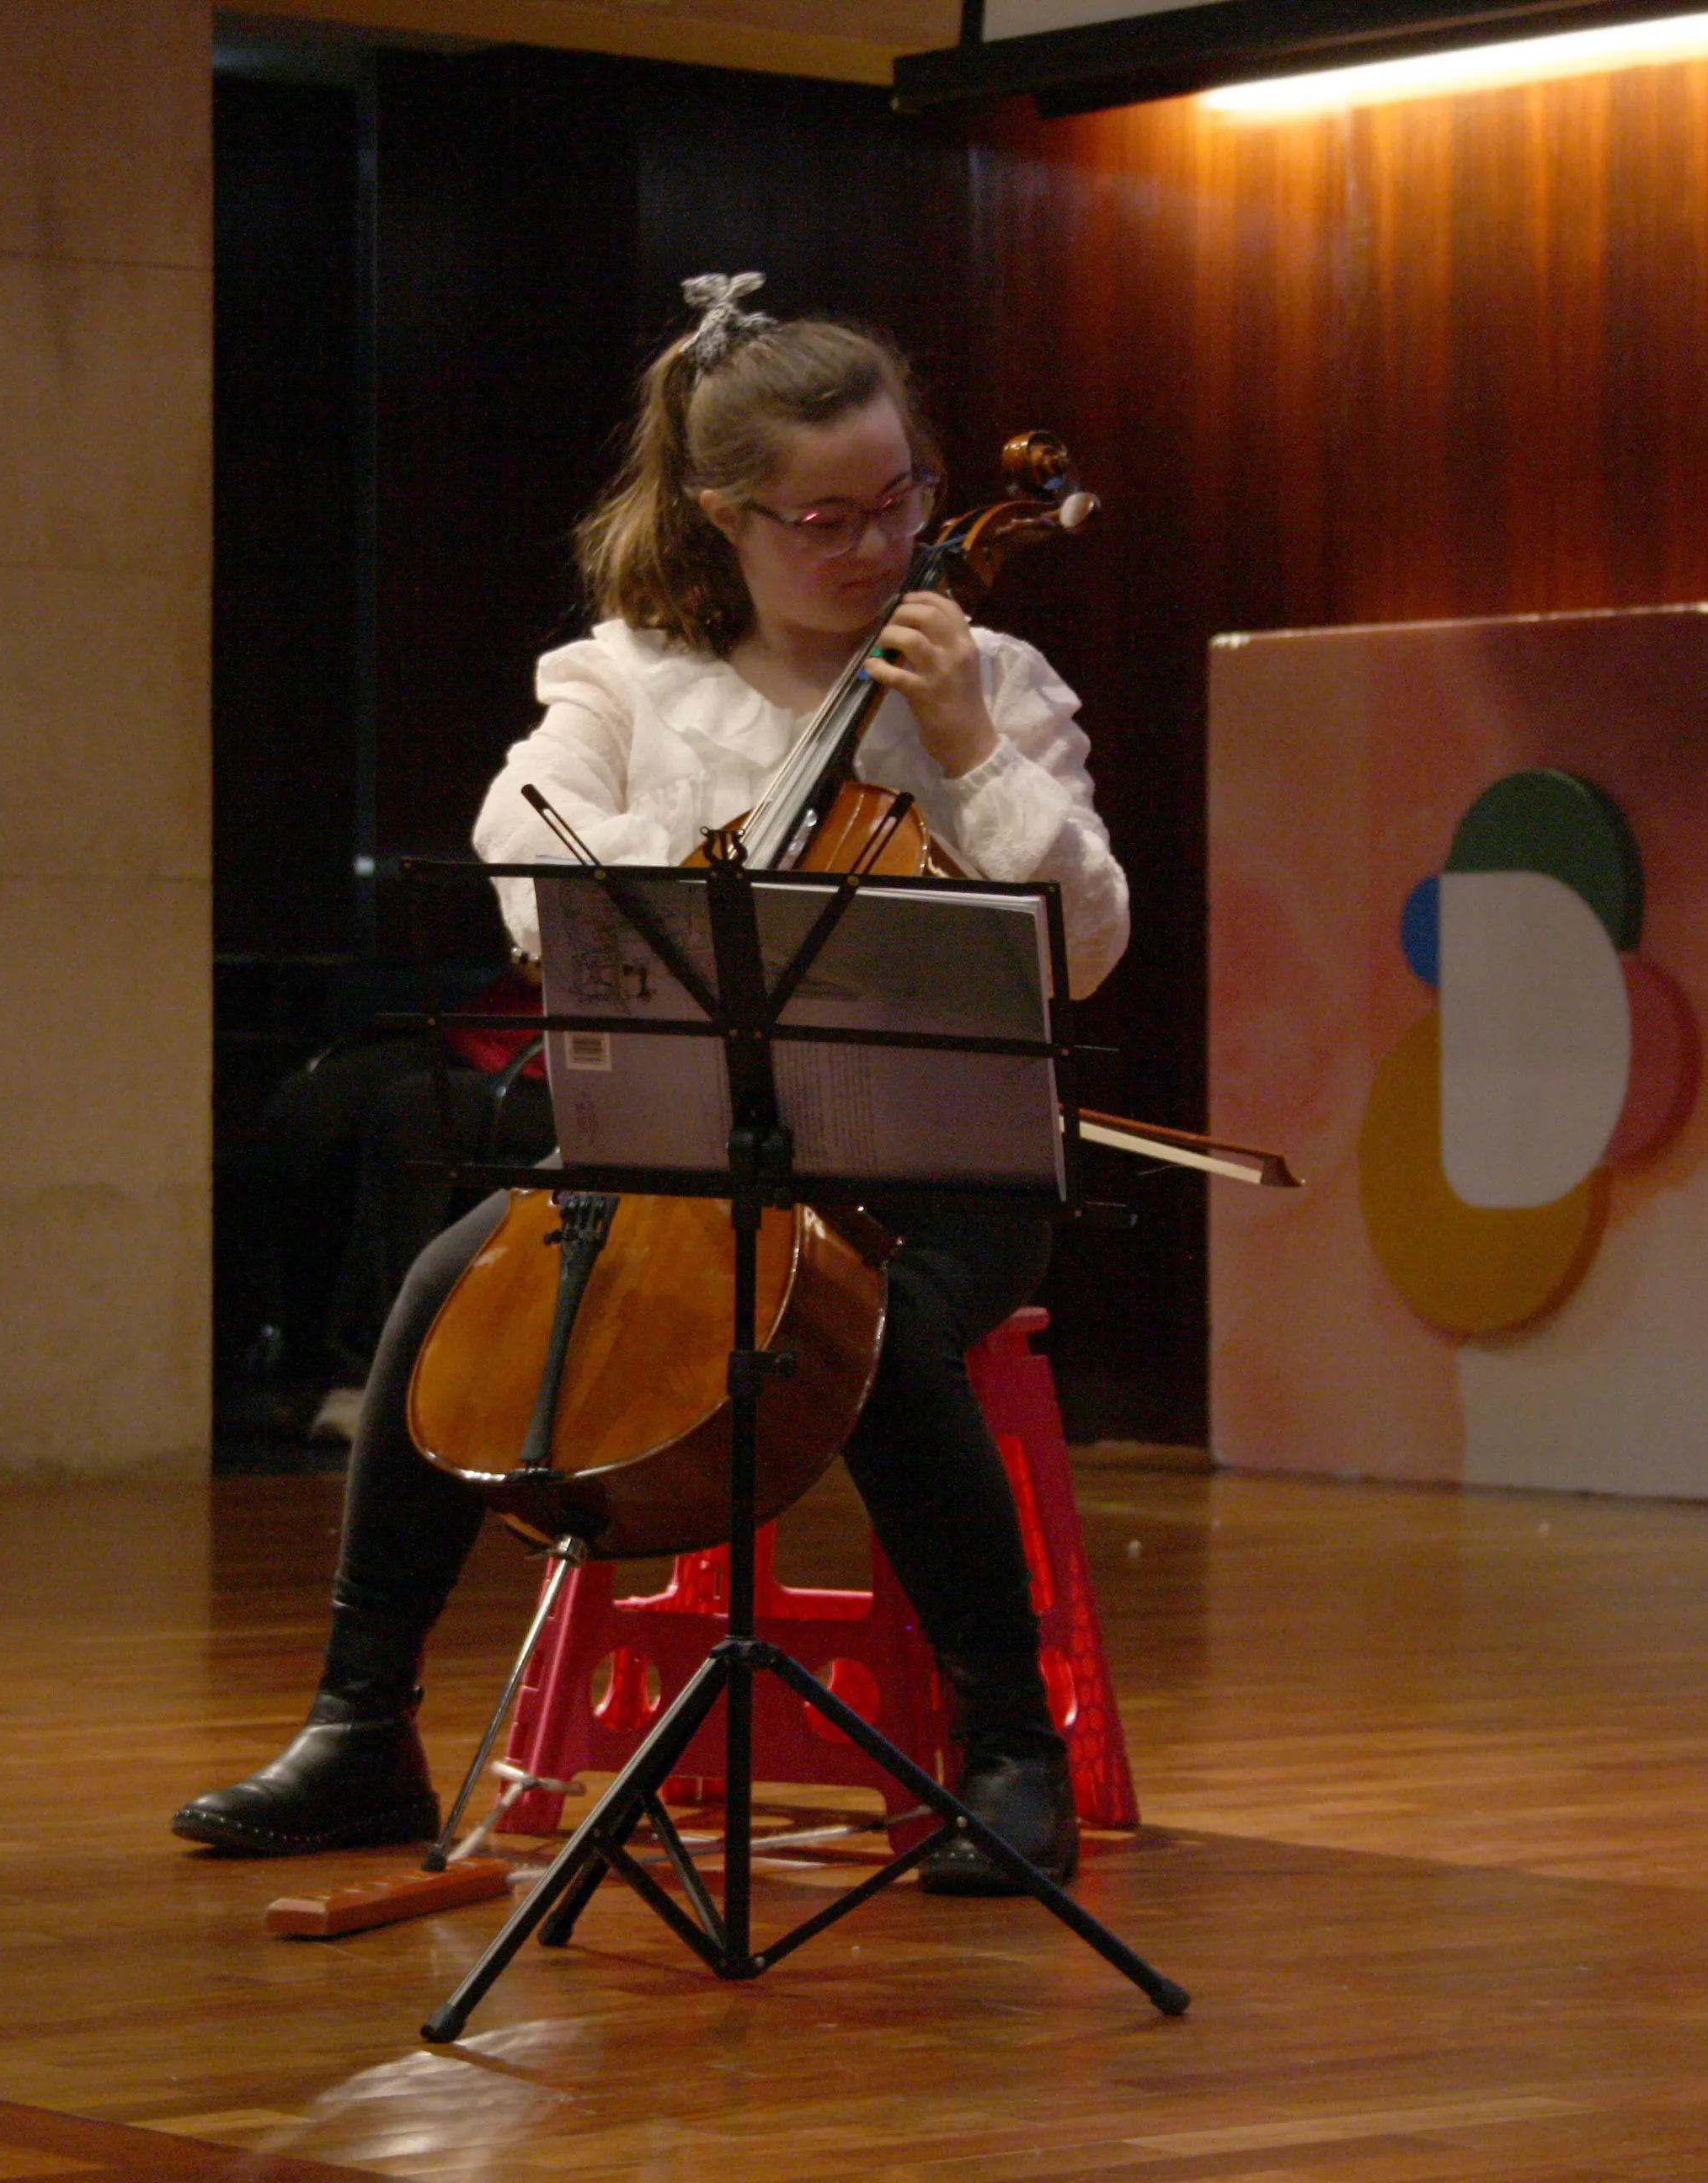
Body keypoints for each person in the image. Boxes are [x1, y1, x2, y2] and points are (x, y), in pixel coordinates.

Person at [173, 274, 1129, 1894]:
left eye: (898, 496)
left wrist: (968, 750)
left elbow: (1088, 945)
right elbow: (523, 857)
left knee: (880, 1326)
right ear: (721, 514)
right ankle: (360, 1729)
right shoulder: (619, 679)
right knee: (438, 1285)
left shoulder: (999, 685)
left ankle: (1008, 1746)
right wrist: (728, 883)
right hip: (683, 1155)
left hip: (935, 1180)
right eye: (823, 513)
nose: (876, 544)